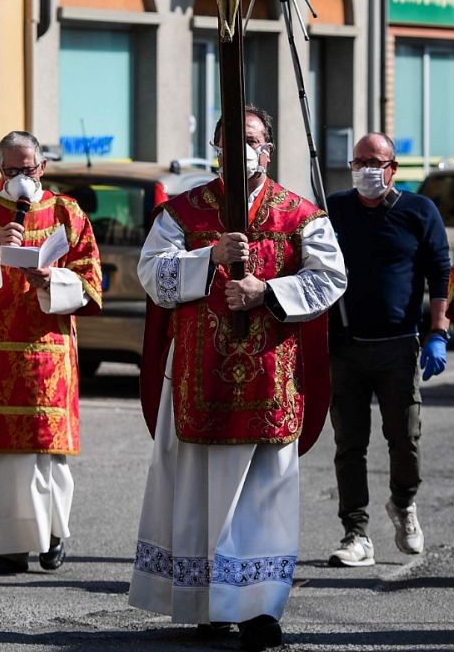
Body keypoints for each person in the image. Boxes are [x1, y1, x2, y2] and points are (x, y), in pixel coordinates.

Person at [130, 106, 347, 652]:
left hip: (270, 380)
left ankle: (260, 608)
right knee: (200, 493)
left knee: (264, 498)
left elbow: (330, 277)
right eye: (231, 141)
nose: (241, 150)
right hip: (199, 378)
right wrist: (209, 257)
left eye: (251, 140)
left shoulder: (299, 214)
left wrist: (267, 292)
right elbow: (152, 275)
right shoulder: (182, 212)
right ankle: (208, 602)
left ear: (267, 149)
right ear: (215, 149)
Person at [0, 131, 103, 576]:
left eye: (27, 168)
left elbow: (91, 280)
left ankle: (52, 536)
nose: (20, 176)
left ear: (42, 167)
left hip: (46, 354)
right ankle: (7, 549)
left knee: (43, 455)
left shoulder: (66, 213)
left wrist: (51, 281)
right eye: (11, 169)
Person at [323, 133, 451, 568]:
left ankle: (403, 502)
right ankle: (355, 532)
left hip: (398, 346)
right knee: (349, 443)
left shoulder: (419, 211)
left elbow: (440, 273)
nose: (366, 170)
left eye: (375, 162)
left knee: (404, 437)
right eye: (359, 162)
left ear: (393, 168)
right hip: (345, 346)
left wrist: (438, 331)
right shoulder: (335, 210)